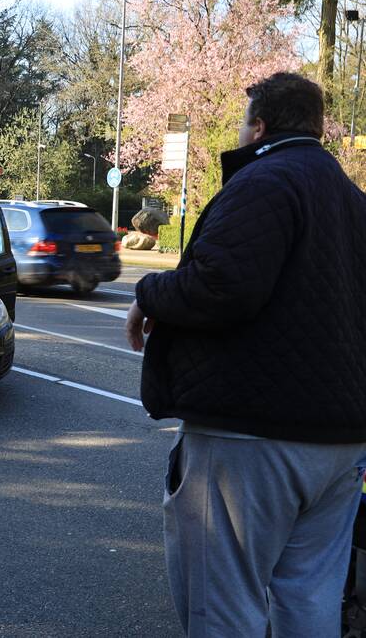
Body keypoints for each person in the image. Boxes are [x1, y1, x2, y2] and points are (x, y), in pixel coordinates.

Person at [124, 72, 366, 636]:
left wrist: (147, 294)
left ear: (258, 127)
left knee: (222, 605)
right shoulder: (353, 200)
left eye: (242, 122)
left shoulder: (263, 182)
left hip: (250, 441)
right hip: (341, 443)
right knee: (310, 600)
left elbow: (220, 286)